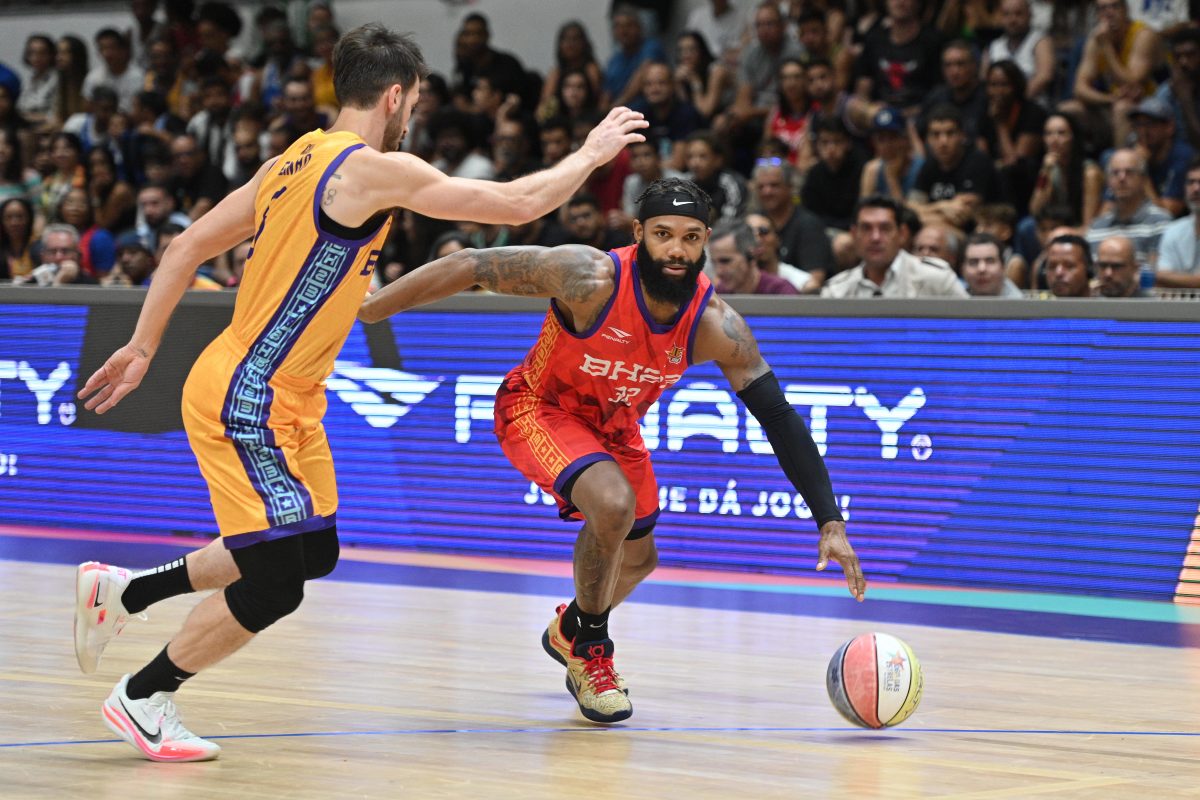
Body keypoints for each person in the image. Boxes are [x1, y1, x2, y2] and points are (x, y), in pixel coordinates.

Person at [72, 22, 647, 763]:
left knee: (311, 550)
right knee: (276, 583)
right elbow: (515, 204)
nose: (412, 119)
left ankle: (124, 594)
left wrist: (144, 346)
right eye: (415, 105)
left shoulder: (290, 160)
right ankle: (144, 696)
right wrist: (593, 152)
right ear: (396, 97)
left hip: (287, 397)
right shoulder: (371, 169)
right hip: (249, 395)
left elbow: (184, 246)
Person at [357, 177, 865, 724]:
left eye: (691, 237)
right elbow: (473, 265)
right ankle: (592, 652)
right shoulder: (589, 276)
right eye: (664, 234)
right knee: (614, 505)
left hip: (616, 430)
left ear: (705, 240)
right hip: (537, 407)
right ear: (639, 232)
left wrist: (829, 520)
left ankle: (570, 627)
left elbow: (779, 417)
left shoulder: (716, 325)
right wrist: (370, 310)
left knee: (641, 560)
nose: (676, 250)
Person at [821, 195, 969, 298]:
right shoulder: (837, 291)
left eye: (885, 228)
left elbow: (970, 328)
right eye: (866, 228)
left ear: (902, 234)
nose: (875, 237)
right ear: (854, 234)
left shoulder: (937, 278)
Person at [1156, 156, 1200, 288]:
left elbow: (1161, 277)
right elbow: (1161, 278)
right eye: (1190, 182)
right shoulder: (1173, 231)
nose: (1196, 188)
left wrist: (1168, 278)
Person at [962, 232, 1023, 297]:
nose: (982, 269)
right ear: (962, 269)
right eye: (973, 262)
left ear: (1003, 267)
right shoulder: (957, 297)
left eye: (990, 261)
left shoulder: (1022, 302)